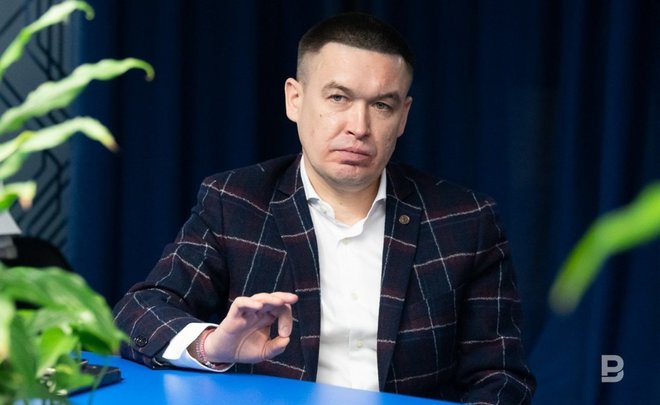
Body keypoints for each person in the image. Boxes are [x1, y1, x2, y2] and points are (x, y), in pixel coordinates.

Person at [113, 12, 536, 404]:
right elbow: (137, 313)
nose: (359, 127)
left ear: (403, 116)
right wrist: (212, 345)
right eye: (338, 98)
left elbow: (501, 377)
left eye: (382, 105)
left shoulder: (466, 220)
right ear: (294, 99)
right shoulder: (235, 200)